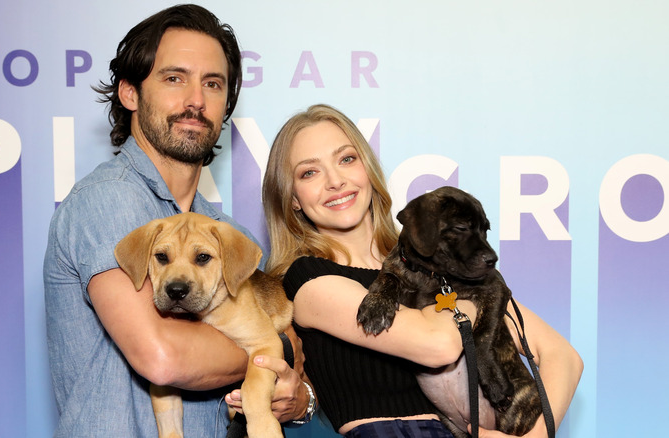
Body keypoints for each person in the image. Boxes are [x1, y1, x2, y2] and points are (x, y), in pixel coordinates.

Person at [43, 5, 310, 437]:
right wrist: (272, 347)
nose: (195, 100)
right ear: (129, 92)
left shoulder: (224, 231)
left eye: (213, 83)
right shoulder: (109, 200)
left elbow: (286, 381)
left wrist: (299, 398)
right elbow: (163, 356)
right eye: (174, 78)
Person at [260, 104, 584, 437]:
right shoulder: (308, 280)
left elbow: (564, 356)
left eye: (346, 159)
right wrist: (481, 290)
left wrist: (535, 436)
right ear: (293, 198)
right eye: (309, 172)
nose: (335, 181)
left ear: (367, 169)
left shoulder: (434, 265)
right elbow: (438, 344)